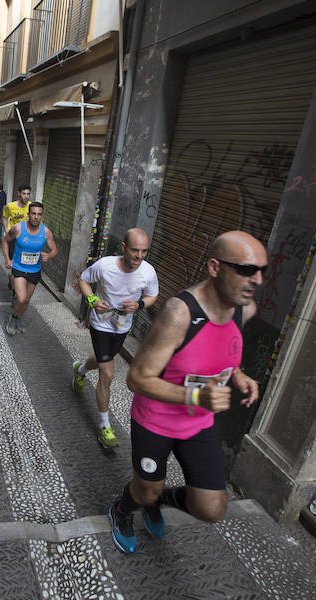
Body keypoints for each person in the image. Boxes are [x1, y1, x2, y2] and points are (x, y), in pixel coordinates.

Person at [107, 230, 265, 554]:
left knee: (211, 508)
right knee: (144, 490)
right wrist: (196, 397)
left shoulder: (243, 309)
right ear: (214, 267)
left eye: (262, 271)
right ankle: (122, 510)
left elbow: (217, 350)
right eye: (246, 270)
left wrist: (237, 374)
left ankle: (159, 498)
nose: (257, 280)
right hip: (156, 421)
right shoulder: (179, 314)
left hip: (198, 424)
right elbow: (137, 379)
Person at [73, 228, 159, 449]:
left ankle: (81, 369)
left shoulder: (148, 272)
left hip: (122, 327)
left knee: (103, 361)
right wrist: (92, 299)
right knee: (108, 373)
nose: (139, 256)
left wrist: (139, 305)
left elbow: (152, 295)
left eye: (144, 251)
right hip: (101, 323)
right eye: (134, 251)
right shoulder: (105, 265)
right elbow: (83, 280)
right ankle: (104, 427)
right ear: (123, 248)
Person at [1, 202, 57, 335]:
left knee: (26, 301)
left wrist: (49, 255)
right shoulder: (18, 228)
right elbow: (5, 241)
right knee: (21, 298)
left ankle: (18, 318)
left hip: (35, 270)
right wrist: (7, 259)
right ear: (28, 214)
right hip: (19, 268)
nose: (36, 217)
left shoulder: (46, 232)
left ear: (41, 216)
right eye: (33, 214)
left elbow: (55, 249)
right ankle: (13, 319)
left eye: (39, 214)